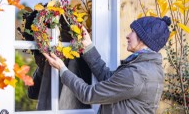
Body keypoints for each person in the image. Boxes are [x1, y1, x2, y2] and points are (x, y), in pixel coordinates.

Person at [43, 16, 171, 114]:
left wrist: (62, 69)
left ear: (144, 39)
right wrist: (88, 47)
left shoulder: (137, 74)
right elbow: (109, 79)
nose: (127, 35)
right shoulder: (148, 66)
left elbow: (88, 94)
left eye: (132, 31)